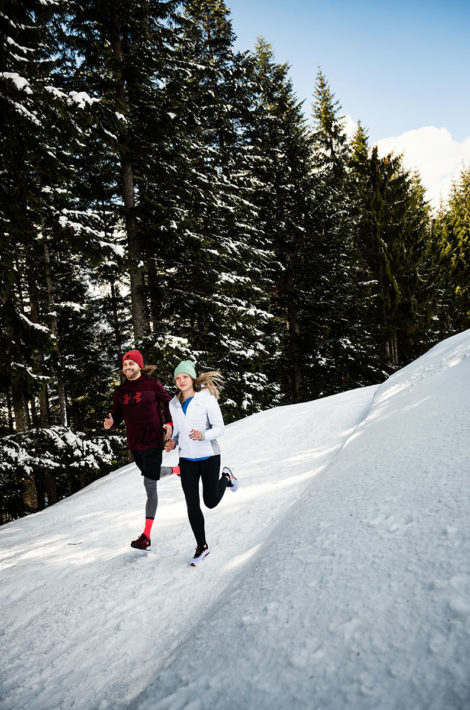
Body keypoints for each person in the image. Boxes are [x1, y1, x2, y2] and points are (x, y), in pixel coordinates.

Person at [165, 359, 238, 566]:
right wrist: (172, 442)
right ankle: (202, 546)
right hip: (187, 459)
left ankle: (226, 477)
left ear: (192, 378)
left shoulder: (206, 399)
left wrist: (204, 435)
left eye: (184, 377)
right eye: (177, 378)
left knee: (210, 501)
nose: (181, 381)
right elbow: (178, 432)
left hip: (209, 455)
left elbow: (220, 428)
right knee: (192, 503)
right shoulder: (173, 404)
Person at [104, 349, 173, 550]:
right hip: (135, 444)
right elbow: (116, 416)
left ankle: (146, 535)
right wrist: (111, 423)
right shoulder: (120, 392)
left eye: (131, 364)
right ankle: (178, 470)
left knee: (150, 485)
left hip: (153, 441)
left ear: (139, 366)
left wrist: (169, 423)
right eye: (125, 365)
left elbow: (169, 403)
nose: (127, 368)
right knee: (150, 474)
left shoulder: (152, 385)